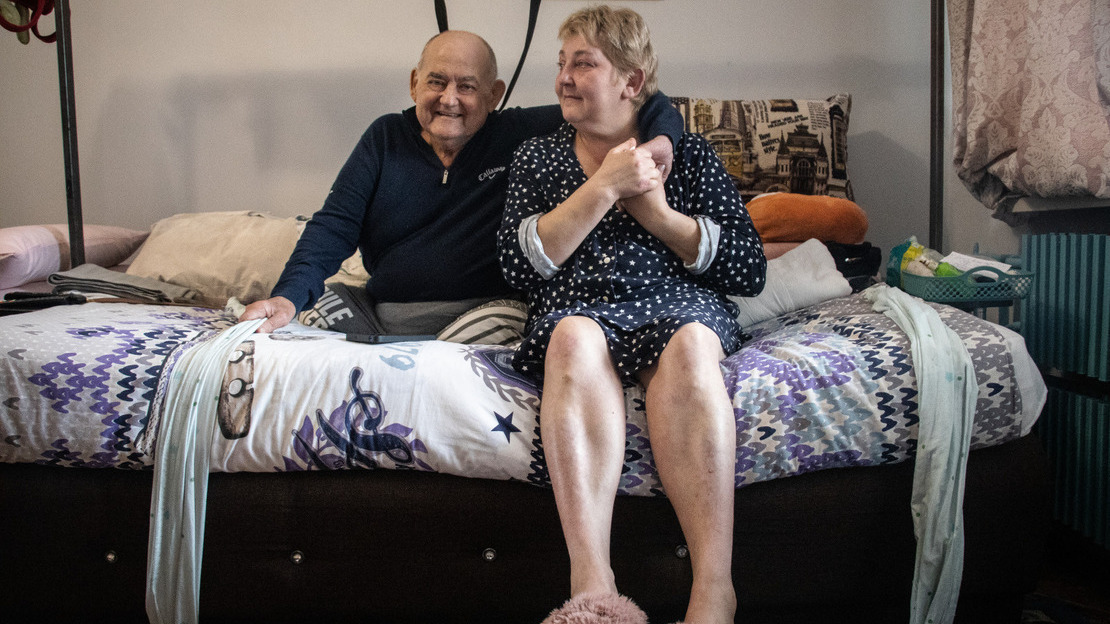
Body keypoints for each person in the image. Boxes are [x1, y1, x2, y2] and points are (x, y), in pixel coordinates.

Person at [496, 6, 766, 624]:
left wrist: (659, 213)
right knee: (570, 339)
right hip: (579, 307)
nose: (564, 77)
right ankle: (593, 589)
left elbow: (749, 270)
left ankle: (713, 589)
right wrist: (605, 187)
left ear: (632, 82)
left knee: (694, 348)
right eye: (561, 64)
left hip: (678, 305)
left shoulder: (689, 155)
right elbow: (515, 269)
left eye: (582, 63)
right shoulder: (536, 159)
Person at [239, 29, 682, 336]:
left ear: (495, 95)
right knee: (299, 329)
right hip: (382, 310)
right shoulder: (385, 137)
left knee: (496, 329)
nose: (449, 99)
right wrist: (287, 298)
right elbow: (334, 226)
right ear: (414, 85)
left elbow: (647, 101)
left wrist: (661, 141)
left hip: (486, 311)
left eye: (467, 87)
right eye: (436, 81)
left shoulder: (523, 134)